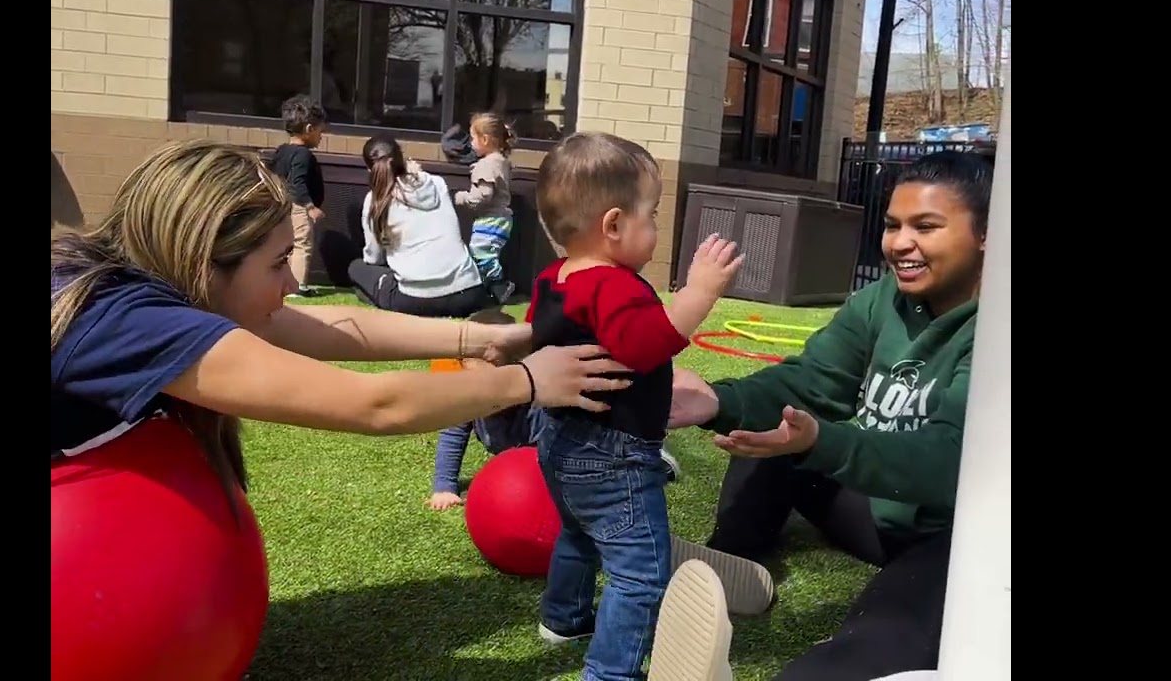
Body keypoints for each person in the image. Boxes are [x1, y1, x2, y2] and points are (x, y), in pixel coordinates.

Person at [52, 139, 637, 501]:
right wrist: (528, 382)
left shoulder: (139, 290)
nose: (289, 285)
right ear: (204, 263)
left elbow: (336, 330)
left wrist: (486, 337)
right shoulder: (126, 319)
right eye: (278, 263)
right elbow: (373, 404)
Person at [666, 149, 994, 681]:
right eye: (892, 225)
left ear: (988, 235)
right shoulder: (880, 300)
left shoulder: (997, 329)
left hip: (956, 537)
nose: (900, 243)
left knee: (873, 641)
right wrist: (720, 401)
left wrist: (823, 444)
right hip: (879, 506)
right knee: (779, 426)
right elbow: (812, 382)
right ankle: (732, 565)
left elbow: (948, 461)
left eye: (926, 227)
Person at [525, 131, 743, 681]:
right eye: (653, 214)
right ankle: (611, 672)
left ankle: (564, 617)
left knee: (579, 533)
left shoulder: (556, 278)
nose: (656, 228)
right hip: (613, 454)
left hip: (559, 439)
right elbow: (646, 346)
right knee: (642, 574)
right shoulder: (613, 285)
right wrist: (701, 292)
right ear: (615, 225)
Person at [346, 135, 496, 318]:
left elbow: (374, 258)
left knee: (356, 268)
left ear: (370, 169)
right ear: (402, 157)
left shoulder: (375, 199)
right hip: (468, 291)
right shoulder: (437, 183)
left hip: (417, 299)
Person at [427, 309, 538, 511]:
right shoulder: (470, 396)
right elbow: (452, 437)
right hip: (511, 459)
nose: (481, 391)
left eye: (491, 384)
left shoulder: (535, 401)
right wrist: (444, 486)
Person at [267, 94, 327, 299]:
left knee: (288, 246)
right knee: (302, 243)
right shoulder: (302, 155)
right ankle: (298, 286)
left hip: (282, 205)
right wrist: (310, 207)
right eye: (321, 131)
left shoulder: (282, 151)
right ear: (309, 129)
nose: (321, 136)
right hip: (298, 206)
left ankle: (289, 283)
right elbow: (297, 182)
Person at [453, 112, 517, 302]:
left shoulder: (487, 165)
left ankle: (500, 285)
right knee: (482, 253)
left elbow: (483, 195)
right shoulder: (501, 161)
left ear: (485, 139)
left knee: (481, 254)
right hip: (500, 219)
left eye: (473, 137)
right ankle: (487, 290)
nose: (471, 142)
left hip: (491, 219)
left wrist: (462, 197)